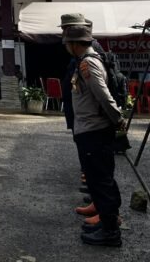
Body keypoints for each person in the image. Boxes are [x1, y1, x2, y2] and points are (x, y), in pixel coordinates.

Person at [63, 24, 125, 247]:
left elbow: (103, 95)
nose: (66, 47)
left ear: (74, 44)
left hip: (94, 130)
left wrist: (118, 119)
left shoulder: (88, 63)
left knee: (101, 181)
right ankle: (107, 224)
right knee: (99, 179)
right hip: (90, 129)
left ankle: (110, 232)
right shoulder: (86, 61)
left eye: (67, 43)